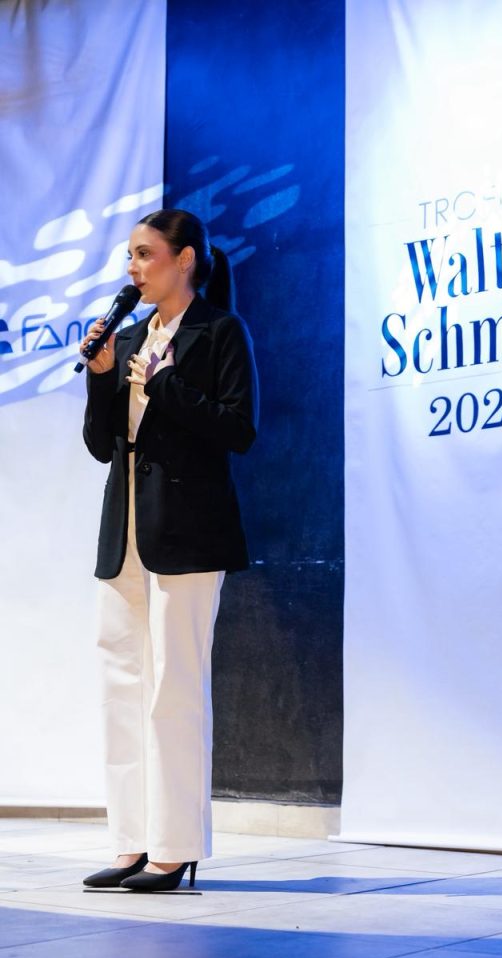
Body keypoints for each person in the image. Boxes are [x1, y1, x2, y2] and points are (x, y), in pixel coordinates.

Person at [80, 208, 258, 892]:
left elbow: (238, 430)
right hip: (124, 531)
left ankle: (174, 847)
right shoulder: (128, 337)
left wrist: (163, 382)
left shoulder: (219, 331)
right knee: (121, 687)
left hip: (189, 530)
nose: (132, 268)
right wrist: (102, 375)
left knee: (173, 689)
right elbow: (102, 445)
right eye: (129, 255)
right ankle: (130, 842)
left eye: (144, 254)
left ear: (185, 259)